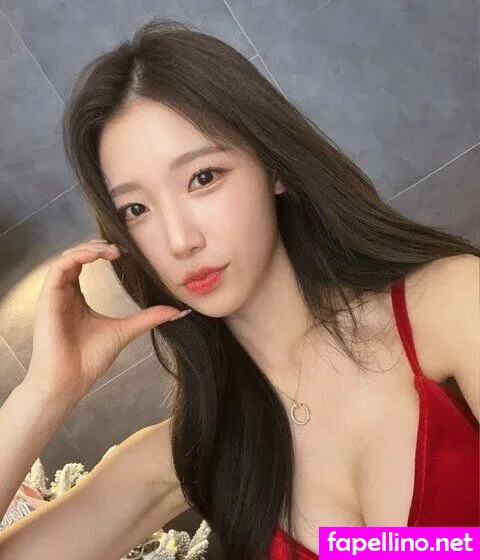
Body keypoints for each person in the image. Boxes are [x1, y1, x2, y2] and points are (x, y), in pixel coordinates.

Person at [0, 16, 479, 560]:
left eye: (202, 178)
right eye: (136, 209)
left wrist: (384, 547)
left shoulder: (451, 304)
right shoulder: (189, 452)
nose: (179, 240)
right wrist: (45, 393)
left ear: (272, 166)